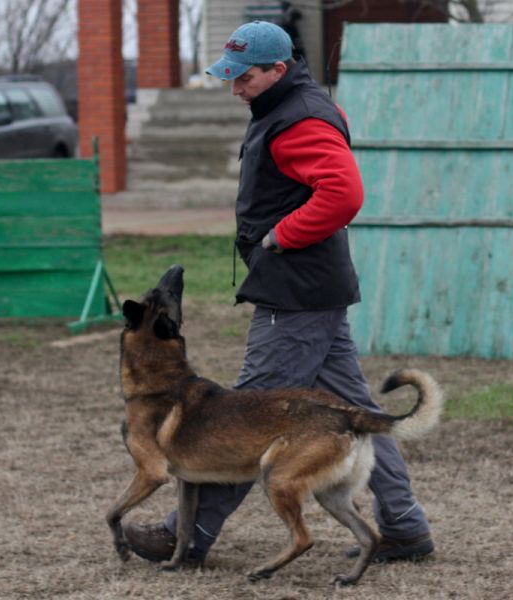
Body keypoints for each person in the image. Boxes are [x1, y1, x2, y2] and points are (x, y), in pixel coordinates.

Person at [124, 20, 434, 565]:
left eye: (244, 78)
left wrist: (279, 236)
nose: (235, 88)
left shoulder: (300, 119)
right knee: (357, 415)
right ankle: (405, 527)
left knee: (240, 416)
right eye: (231, 77)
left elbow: (343, 194)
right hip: (312, 290)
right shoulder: (287, 108)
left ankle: (187, 536)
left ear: (277, 70)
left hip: (295, 294)